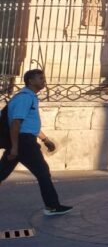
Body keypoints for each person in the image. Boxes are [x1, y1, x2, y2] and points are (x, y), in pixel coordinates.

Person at [0, 69, 72, 216]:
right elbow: (16, 123)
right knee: (43, 173)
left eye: (43, 77)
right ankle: (52, 206)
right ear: (30, 81)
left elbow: (28, 124)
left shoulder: (29, 97)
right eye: (40, 78)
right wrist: (15, 147)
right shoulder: (25, 98)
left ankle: (52, 206)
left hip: (23, 140)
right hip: (24, 142)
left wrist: (45, 139)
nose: (43, 80)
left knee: (1, 173)